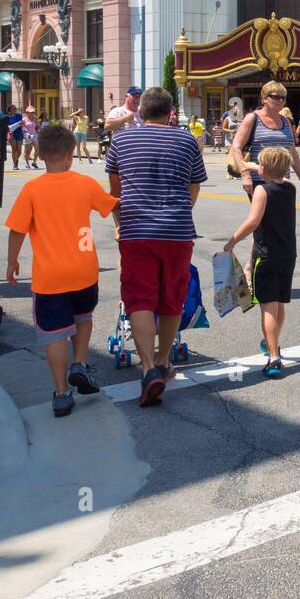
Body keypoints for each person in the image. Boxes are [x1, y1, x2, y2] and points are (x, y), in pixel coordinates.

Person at [5, 124, 118, 417]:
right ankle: (79, 363)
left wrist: (12, 260)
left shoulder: (32, 189)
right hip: (84, 270)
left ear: (40, 154)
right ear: (71, 154)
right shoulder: (85, 184)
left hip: (50, 277)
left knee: (54, 335)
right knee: (83, 318)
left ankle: (61, 393)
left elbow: (17, 230)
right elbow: (112, 205)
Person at [106, 87, 207, 408]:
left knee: (139, 297)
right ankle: (164, 361)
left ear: (141, 111)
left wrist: (121, 224)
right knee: (171, 296)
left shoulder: (121, 140)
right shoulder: (188, 140)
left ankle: (148, 368)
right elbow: (194, 187)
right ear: (169, 112)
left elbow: (115, 192)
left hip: (136, 231)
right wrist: (177, 213)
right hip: (176, 231)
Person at [224, 146, 296, 379]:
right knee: (279, 302)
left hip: (265, 256)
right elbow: (277, 172)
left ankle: (273, 356)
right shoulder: (290, 188)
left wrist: (232, 241)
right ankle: (273, 343)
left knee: (267, 305)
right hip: (288, 255)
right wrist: (257, 166)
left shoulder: (262, 191)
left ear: (264, 170)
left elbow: (253, 221)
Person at [229, 83, 300, 203]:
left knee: (282, 220)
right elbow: (236, 147)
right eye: (275, 97)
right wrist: (245, 175)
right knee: (263, 220)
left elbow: (292, 153)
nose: (280, 100)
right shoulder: (252, 118)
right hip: (259, 180)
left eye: (283, 97)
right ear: (264, 98)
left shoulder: (286, 121)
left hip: (283, 180)